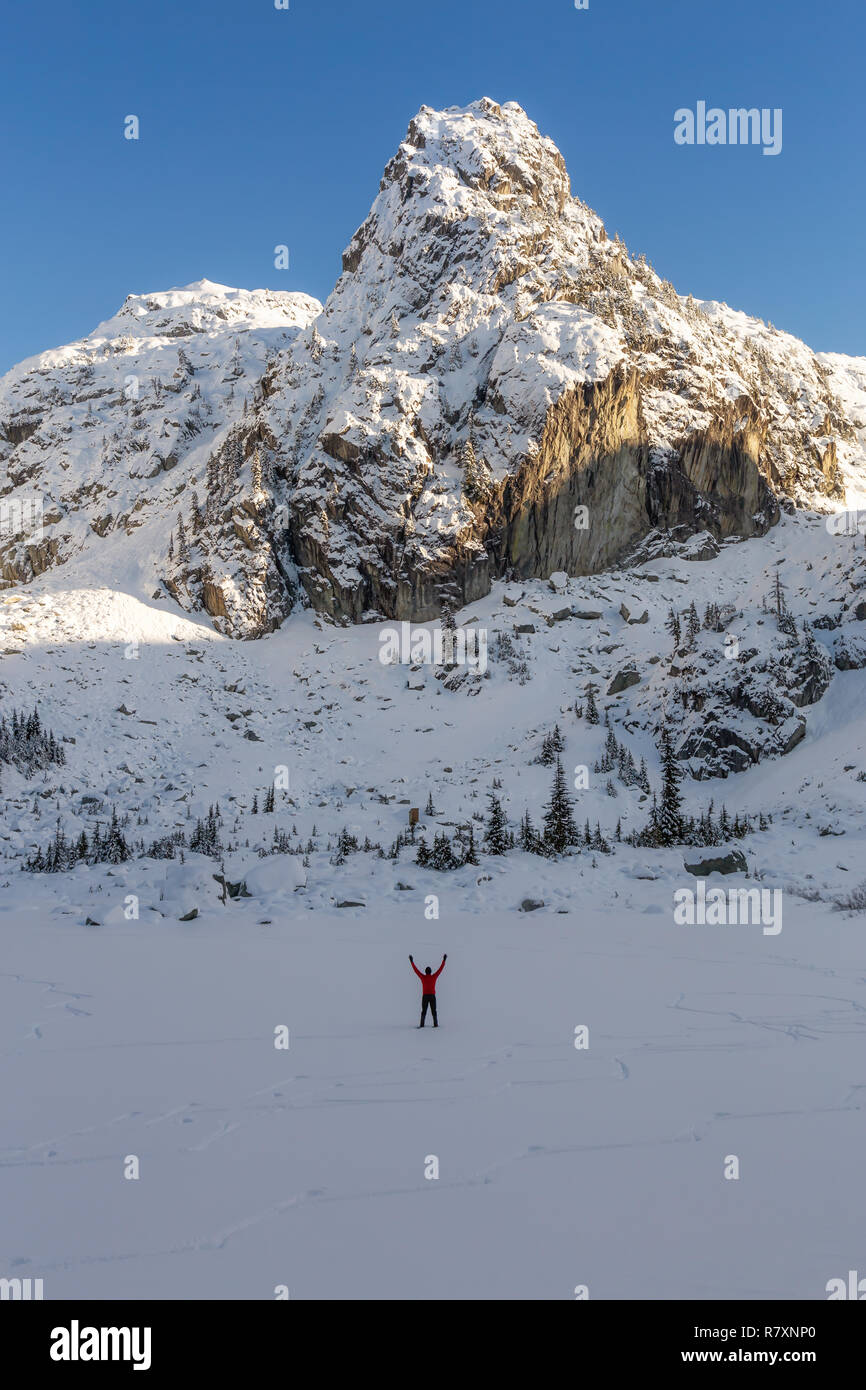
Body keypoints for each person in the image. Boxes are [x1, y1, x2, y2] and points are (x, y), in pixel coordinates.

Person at [409, 953, 446, 1028]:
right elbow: (440, 969)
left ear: (425, 972)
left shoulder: (423, 977)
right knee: (434, 1011)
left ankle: (422, 1025)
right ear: (431, 971)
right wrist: (444, 960)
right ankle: (435, 1024)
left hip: (425, 996)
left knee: (424, 1011)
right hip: (432, 996)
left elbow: (416, 971)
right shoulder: (434, 977)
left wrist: (412, 962)